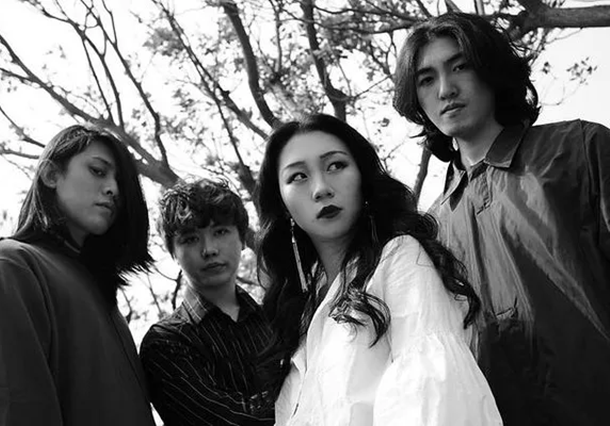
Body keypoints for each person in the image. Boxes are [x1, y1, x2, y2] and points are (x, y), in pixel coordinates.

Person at [393, 12, 610, 426]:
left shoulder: (578, 149)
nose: (445, 89)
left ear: (490, 69)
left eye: (460, 66)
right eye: (426, 79)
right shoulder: (431, 230)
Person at [255, 113, 502, 426]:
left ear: (362, 176)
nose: (321, 188)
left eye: (336, 166)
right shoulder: (300, 308)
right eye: (298, 176)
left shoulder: (399, 258)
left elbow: (434, 399)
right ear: (282, 202)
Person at [0, 124, 155, 425]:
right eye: (98, 171)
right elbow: (4, 408)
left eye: (119, 181)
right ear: (51, 175)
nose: (114, 189)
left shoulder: (106, 302)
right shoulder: (7, 264)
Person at [140, 178, 274, 426]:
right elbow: (226, 421)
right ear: (173, 252)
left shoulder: (276, 320)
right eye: (190, 239)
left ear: (242, 239)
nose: (209, 249)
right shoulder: (166, 342)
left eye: (220, 232)